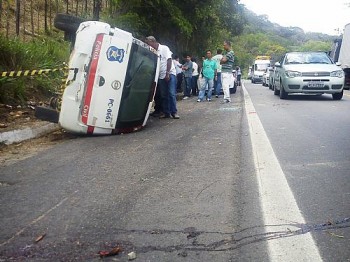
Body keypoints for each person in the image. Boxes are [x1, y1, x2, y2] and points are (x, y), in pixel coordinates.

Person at [145, 36, 179, 119]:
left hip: (169, 73)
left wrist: (167, 73)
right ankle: (166, 112)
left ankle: (174, 112)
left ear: (152, 41)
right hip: (160, 76)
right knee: (163, 95)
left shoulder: (164, 48)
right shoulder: (153, 51)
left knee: (171, 93)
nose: (148, 45)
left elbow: (169, 60)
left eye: (148, 43)